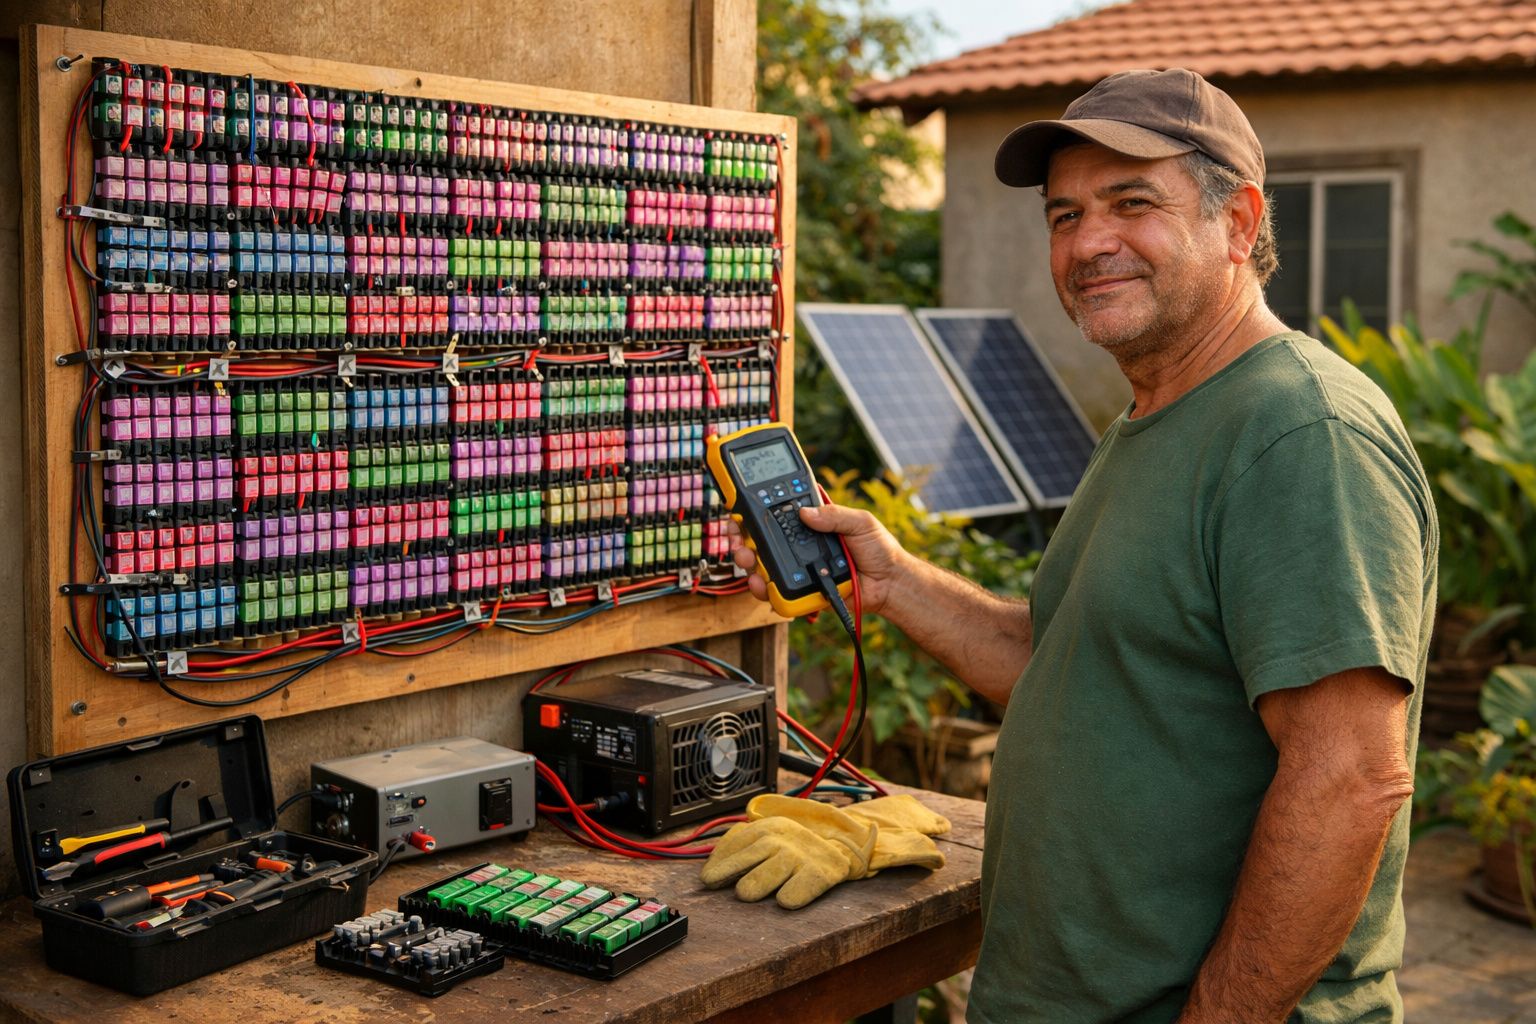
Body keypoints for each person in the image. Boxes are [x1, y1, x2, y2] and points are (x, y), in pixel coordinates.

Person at [733, 68, 1437, 1023]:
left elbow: (1350, 779)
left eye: (1131, 203)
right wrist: (893, 582)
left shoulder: (1298, 432)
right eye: (1064, 216)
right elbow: (1069, 666)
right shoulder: (1156, 415)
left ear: (1238, 223)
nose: (1088, 243)